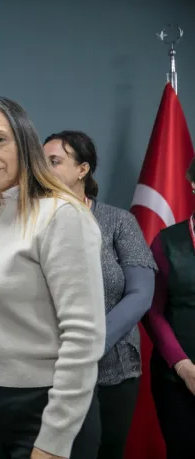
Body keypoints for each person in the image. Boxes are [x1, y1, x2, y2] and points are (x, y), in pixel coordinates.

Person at [0, 96, 105, 459]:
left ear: (24, 143)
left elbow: (83, 337)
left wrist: (54, 439)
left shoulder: (61, 216)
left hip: (47, 409)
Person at [43, 130, 156, 459]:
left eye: (54, 161)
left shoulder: (118, 221)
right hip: (47, 370)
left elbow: (141, 293)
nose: (44, 169)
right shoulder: (30, 222)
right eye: (40, 162)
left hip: (112, 369)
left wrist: (90, 345)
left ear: (83, 169)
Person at [143, 158, 195, 459]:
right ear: (193, 183)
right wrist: (184, 367)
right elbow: (153, 311)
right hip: (177, 380)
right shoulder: (167, 242)